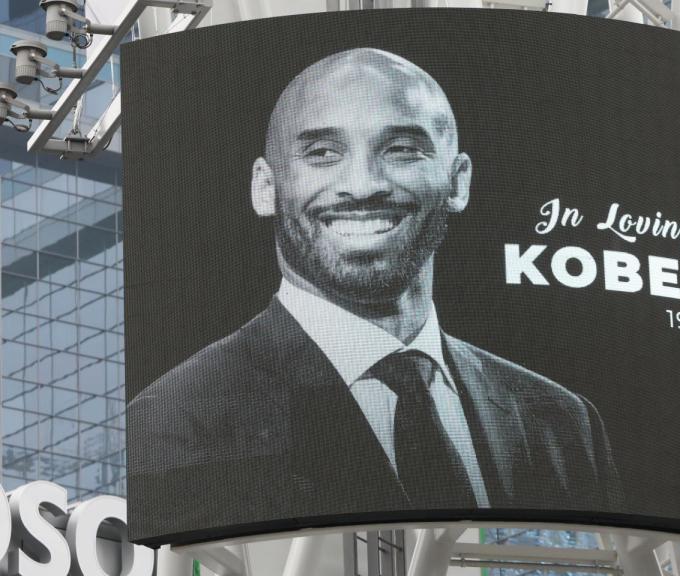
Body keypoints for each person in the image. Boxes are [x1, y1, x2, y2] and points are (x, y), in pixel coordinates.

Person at [128, 48, 621, 542]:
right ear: (265, 187)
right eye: (322, 153)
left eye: (402, 149)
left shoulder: (560, 420)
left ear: (458, 180)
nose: (363, 185)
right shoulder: (175, 420)